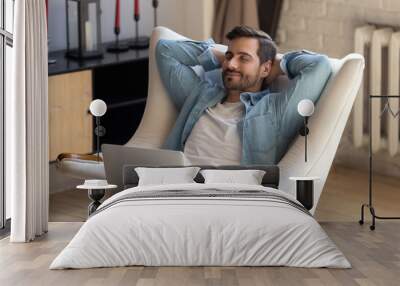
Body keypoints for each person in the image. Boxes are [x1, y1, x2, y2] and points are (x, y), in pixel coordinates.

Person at [155, 26, 332, 165]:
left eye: (244, 58)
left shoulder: (274, 111)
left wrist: (280, 64)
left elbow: (319, 66)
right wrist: (218, 55)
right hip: (171, 189)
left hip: (229, 202)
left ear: (265, 68)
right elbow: (164, 50)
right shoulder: (199, 94)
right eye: (229, 56)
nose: (231, 64)